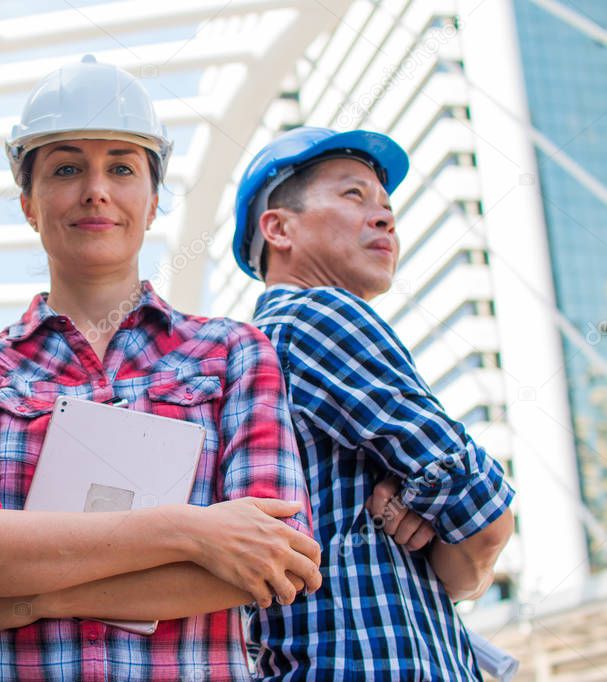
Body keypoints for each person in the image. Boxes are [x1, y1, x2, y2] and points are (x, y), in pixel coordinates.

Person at [0, 56, 322, 681]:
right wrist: (193, 530)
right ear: (27, 203)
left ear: (154, 202)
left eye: (121, 168)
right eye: (67, 168)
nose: (95, 189)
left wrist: (40, 596)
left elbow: (279, 556)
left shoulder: (234, 353)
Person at [230, 126, 517, 680]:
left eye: (387, 205)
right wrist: (441, 530)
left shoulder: (248, 354)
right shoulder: (316, 316)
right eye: (353, 195)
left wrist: (424, 510)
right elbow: (486, 521)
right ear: (279, 228)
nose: (385, 217)